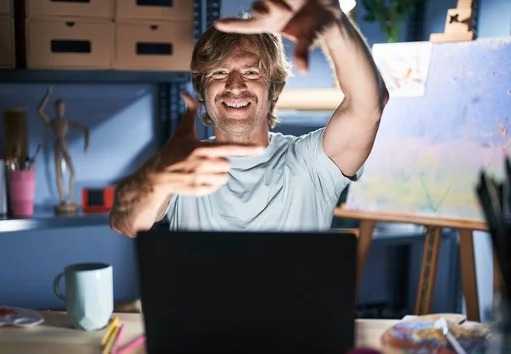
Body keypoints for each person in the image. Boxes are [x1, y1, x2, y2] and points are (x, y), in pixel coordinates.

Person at [110, 0, 388, 237]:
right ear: (202, 91)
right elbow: (126, 223)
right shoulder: (184, 166)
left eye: (252, 73)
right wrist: (156, 177)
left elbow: (367, 107)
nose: (234, 85)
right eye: (219, 73)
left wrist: (335, 27)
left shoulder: (310, 164)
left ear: (274, 89)